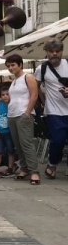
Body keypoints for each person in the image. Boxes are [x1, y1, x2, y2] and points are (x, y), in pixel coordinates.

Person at [35, 39, 68, 180]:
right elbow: (34, 87)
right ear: (47, 52)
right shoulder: (41, 69)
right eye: (51, 51)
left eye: (57, 51)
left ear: (62, 51)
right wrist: (43, 101)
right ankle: (52, 163)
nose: (55, 54)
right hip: (54, 111)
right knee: (58, 140)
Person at [5, 54, 40, 185]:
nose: (10, 68)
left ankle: (35, 172)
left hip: (23, 114)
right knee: (18, 145)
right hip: (12, 115)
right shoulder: (14, 80)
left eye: (13, 65)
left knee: (27, 143)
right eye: (8, 66)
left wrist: (27, 112)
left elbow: (34, 95)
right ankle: (24, 169)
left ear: (20, 64)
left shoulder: (28, 77)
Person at [0, 87, 15, 179]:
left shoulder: (12, 105)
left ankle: (10, 168)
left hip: (9, 132)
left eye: (7, 94)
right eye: (3, 95)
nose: (5, 96)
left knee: (10, 151)